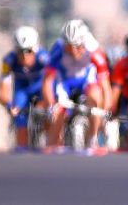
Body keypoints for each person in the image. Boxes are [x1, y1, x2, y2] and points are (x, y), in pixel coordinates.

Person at [41, 19, 111, 148]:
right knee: (56, 115)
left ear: (85, 42)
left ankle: (92, 139)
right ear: (64, 43)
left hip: (86, 82)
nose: (74, 52)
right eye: (69, 46)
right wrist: (51, 106)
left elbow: (105, 85)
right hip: (65, 83)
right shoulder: (58, 48)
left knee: (96, 98)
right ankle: (52, 150)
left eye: (78, 47)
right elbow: (47, 81)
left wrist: (105, 111)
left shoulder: (94, 49)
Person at [0, 25, 49, 149]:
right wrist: (9, 106)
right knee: (20, 118)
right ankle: (22, 151)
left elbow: (53, 84)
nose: (25, 56)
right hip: (22, 90)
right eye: (21, 51)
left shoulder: (44, 59)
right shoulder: (8, 61)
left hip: (40, 88)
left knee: (51, 116)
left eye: (29, 51)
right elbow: (2, 91)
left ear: (35, 49)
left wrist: (46, 103)